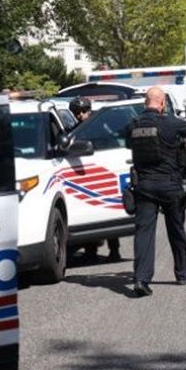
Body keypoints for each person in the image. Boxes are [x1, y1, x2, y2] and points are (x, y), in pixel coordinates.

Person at [124, 87, 186, 298]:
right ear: (162, 103)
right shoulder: (171, 122)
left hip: (144, 186)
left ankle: (141, 280)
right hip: (170, 185)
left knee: (144, 233)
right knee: (176, 230)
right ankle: (182, 273)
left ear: (146, 103)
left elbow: (128, 144)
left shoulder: (133, 124)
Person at [66, 96, 121, 261]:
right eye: (77, 112)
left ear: (90, 111)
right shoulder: (72, 132)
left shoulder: (102, 130)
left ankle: (114, 249)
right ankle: (90, 251)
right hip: (82, 176)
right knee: (88, 210)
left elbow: (112, 148)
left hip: (102, 174)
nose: (81, 115)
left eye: (84, 111)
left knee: (108, 210)